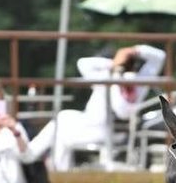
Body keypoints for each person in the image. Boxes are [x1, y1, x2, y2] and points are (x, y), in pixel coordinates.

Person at [28, 43, 166, 171]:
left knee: (60, 133)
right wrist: (128, 55)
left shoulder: (112, 78)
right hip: (103, 129)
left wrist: (126, 56)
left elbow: (82, 63)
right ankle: (33, 155)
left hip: (103, 132)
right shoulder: (136, 81)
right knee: (62, 117)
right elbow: (159, 56)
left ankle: (49, 166)